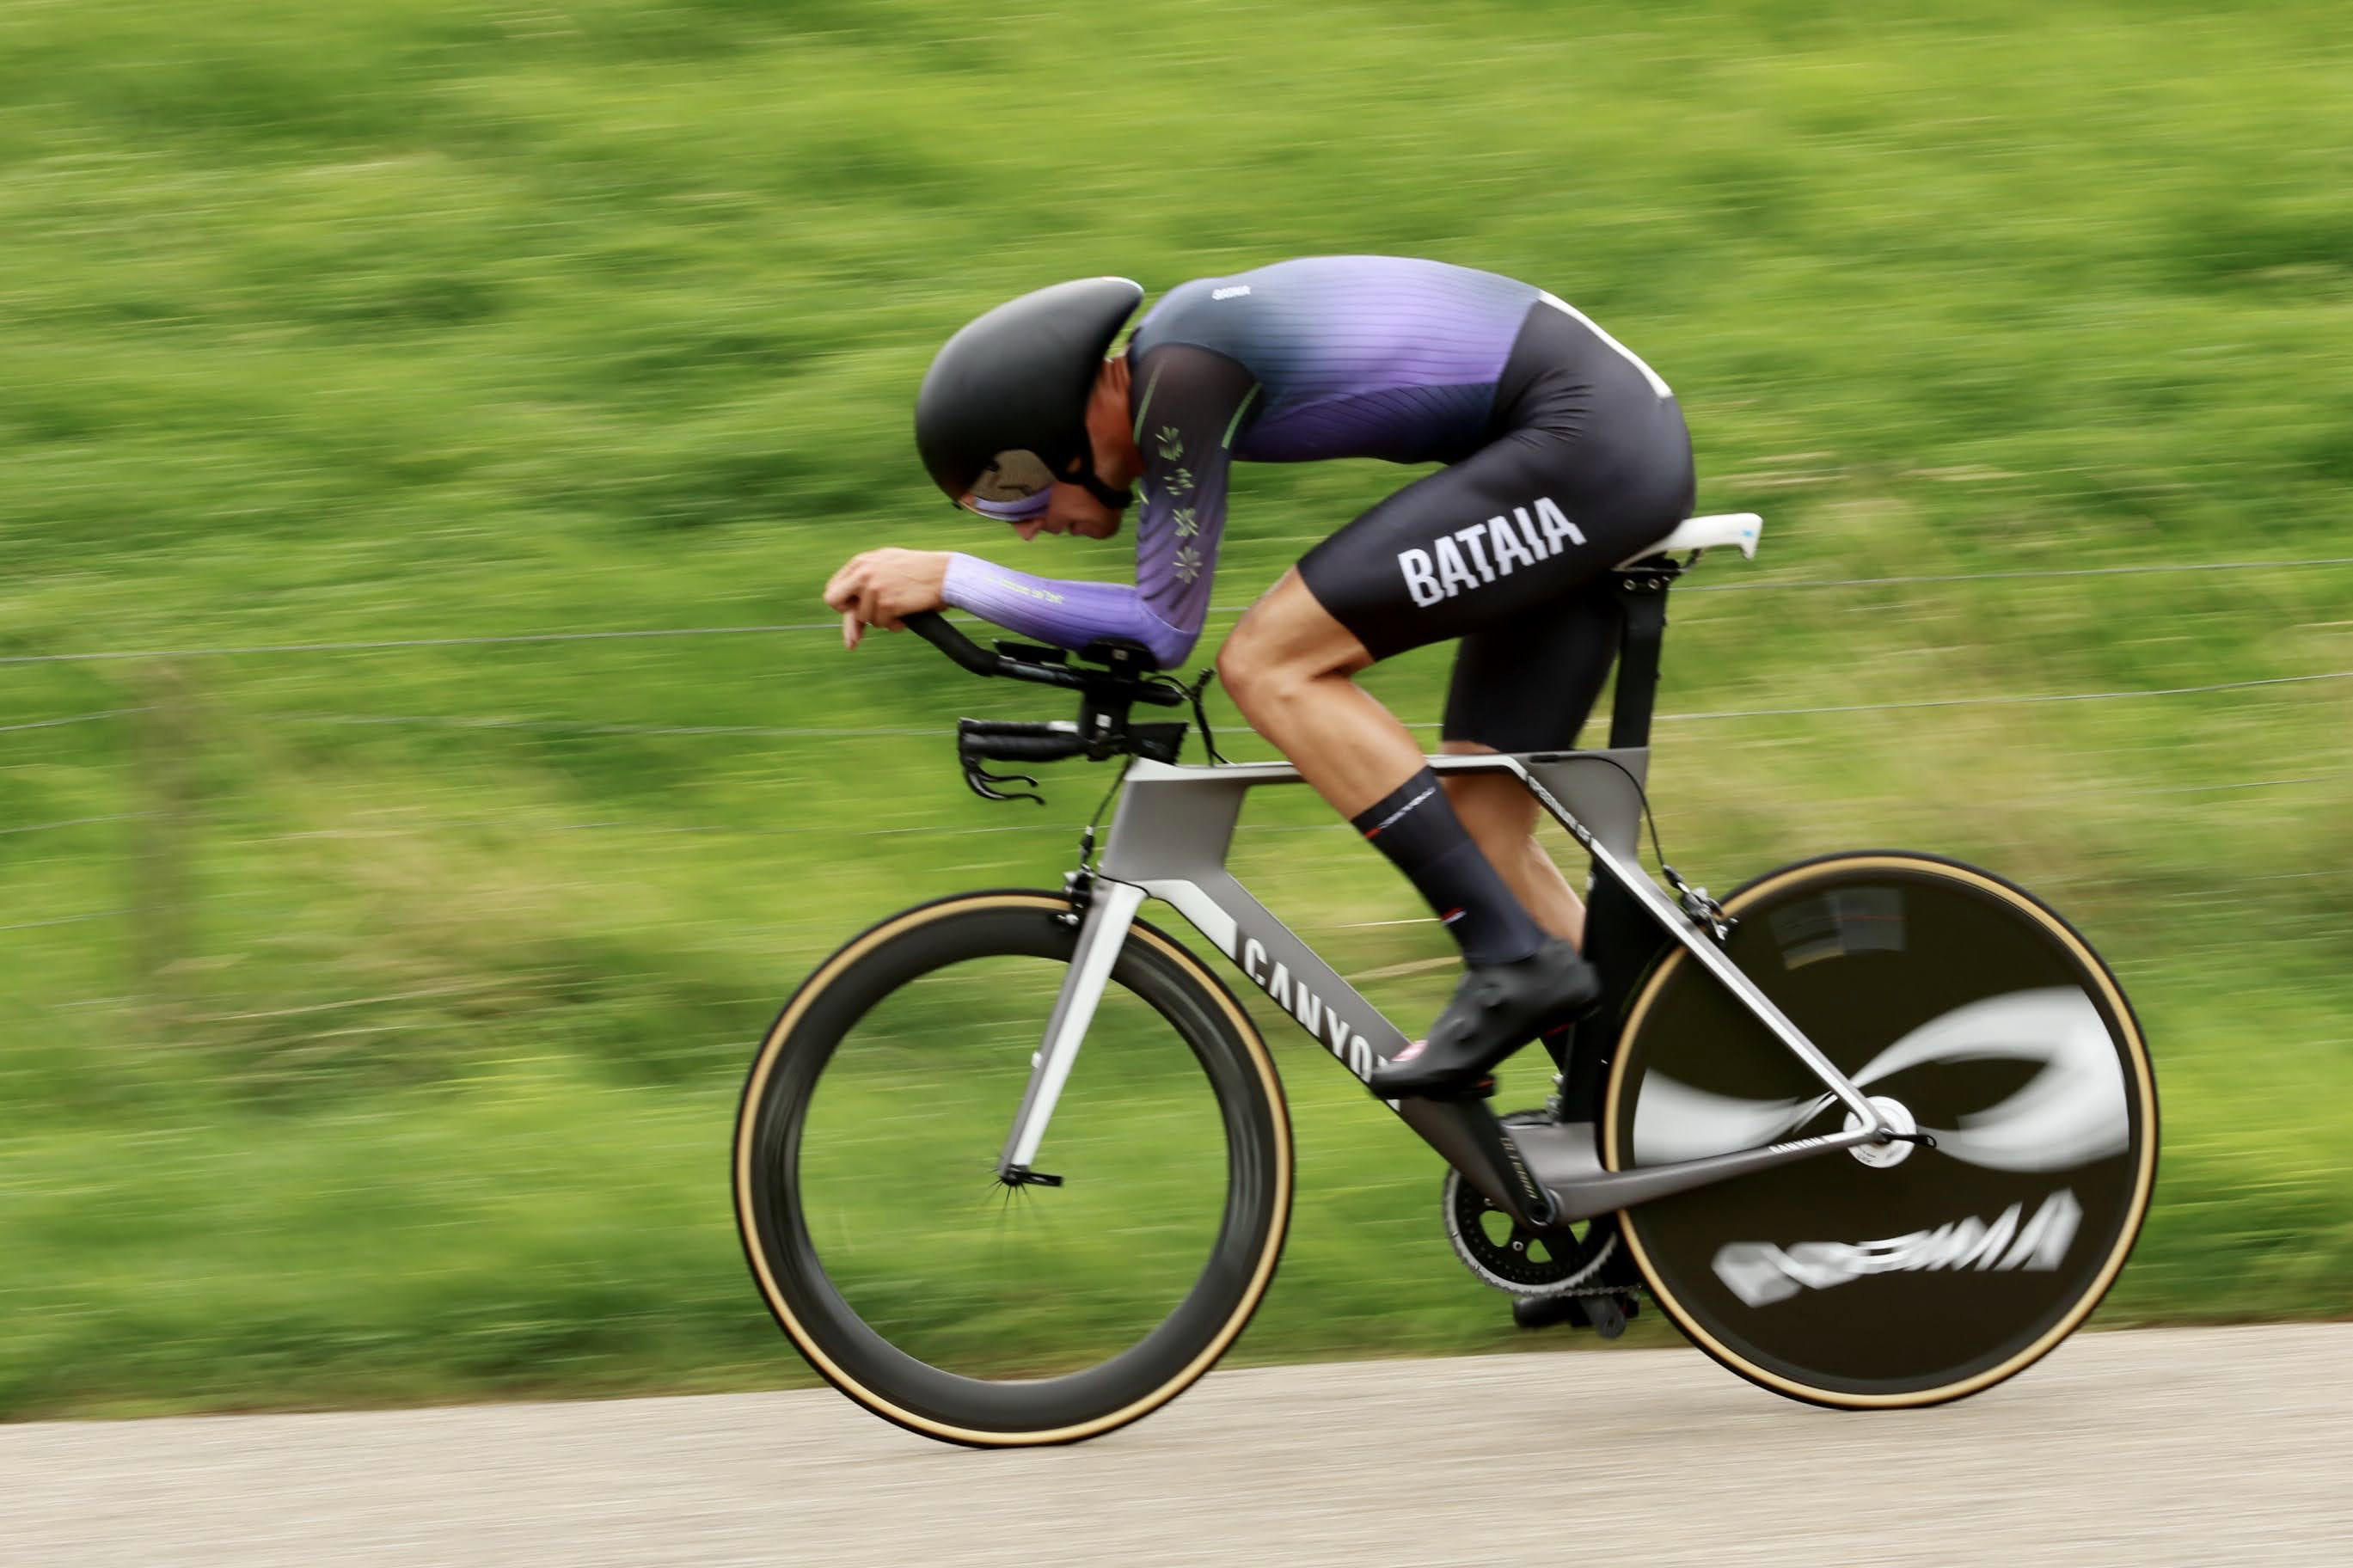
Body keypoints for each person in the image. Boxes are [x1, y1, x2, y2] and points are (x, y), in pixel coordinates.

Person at [823, 257, 1694, 1098]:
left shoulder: (1179, 377)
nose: (1020, 526)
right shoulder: (1178, 369)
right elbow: (1157, 618)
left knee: (1270, 664)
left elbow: (1162, 629)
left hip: (1587, 447)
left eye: (1011, 491)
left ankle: (1510, 961)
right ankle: (1658, 1101)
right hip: (1585, 448)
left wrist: (956, 578)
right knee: (1480, 829)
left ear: (1056, 433)